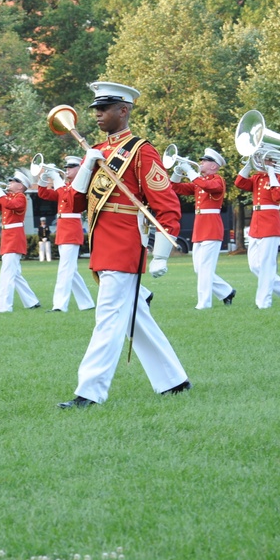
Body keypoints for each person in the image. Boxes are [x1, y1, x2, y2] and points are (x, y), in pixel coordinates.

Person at [58, 82, 189, 409]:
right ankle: (174, 381)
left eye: (105, 108)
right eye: (96, 109)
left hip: (124, 245)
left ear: (124, 110)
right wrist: (87, 165)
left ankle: (89, 392)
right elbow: (73, 204)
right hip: (102, 244)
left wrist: (161, 254)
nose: (98, 114)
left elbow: (167, 204)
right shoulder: (100, 152)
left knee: (108, 319)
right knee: (133, 316)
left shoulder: (141, 150)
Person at [170, 148, 236, 309]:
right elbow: (174, 187)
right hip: (200, 227)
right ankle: (226, 291)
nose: (201, 163)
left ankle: (204, 303)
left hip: (212, 227)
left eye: (204, 161)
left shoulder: (217, 180)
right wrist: (178, 172)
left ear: (214, 166)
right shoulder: (199, 182)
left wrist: (190, 170)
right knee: (199, 269)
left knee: (205, 268)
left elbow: (205, 185)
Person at [234, 153, 280, 308]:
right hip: (256, 222)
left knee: (267, 265)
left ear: (274, 161)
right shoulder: (257, 178)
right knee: (254, 265)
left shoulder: (278, 178)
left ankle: (263, 302)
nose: (262, 161)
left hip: (270, 223)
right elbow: (239, 183)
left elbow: (278, 197)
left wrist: (271, 173)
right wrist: (248, 166)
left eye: (266, 159)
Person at [37, 156, 96, 312]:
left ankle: (59, 305)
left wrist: (56, 177)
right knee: (71, 270)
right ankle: (87, 303)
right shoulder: (66, 186)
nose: (67, 170)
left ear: (80, 169)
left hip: (71, 230)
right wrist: (44, 177)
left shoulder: (80, 185)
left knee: (65, 269)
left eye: (71, 167)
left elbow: (67, 196)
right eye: (66, 167)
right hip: (64, 230)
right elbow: (44, 194)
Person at [0, 169, 41, 312]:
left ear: (20, 186)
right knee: (14, 273)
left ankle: (4, 307)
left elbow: (7, 204)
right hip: (8, 237)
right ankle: (32, 301)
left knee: (7, 273)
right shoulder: (9, 197)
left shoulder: (20, 198)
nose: (9, 183)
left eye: (13, 181)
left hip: (14, 238)